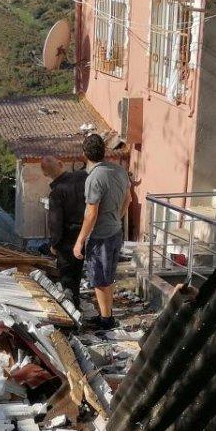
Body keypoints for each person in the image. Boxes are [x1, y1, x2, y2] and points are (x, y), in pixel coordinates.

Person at [74, 134, 130, 330]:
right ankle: (107, 314)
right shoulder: (120, 171)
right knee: (108, 277)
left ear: (84, 154)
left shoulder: (94, 178)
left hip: (101, 236)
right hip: (116, 231)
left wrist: (80, 240)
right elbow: (128, 200)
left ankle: (106, 320)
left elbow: (91, 213)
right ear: (104, 151)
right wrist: (117, 216)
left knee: (100, 279)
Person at [41, 156, 88, 308]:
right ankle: (76, 302)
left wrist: (54, 244)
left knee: (68, 277)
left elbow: (56, 222)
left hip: (67, 238)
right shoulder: (83, 177)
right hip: (87, 232)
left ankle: (72, 308)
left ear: (45, 174)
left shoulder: (56, 193)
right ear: (61, 164)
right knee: (78, 272)